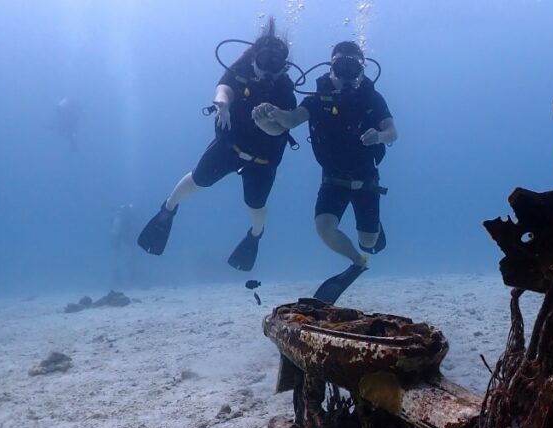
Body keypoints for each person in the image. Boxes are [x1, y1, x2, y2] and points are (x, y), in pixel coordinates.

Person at [136, 18, 297, 271]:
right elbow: (224, 88)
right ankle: (167, 210)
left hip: (262, 162)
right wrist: (221, 104)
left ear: (284, 68)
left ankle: (255, 235)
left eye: (276, 65)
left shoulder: (286, 89)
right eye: (265, 61)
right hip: (229, 148)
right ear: (254, 59)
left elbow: (286, 124)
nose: (269, 70)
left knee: (255, 206)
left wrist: (272, 119)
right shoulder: (239, 71)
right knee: (199, 179)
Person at [252, 41, 397, 273]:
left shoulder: (372, 99)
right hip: (332, 179)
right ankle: (357, 261)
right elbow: (290, 121)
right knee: (324, 229)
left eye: (353, 69)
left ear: (362, 73)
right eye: (341, 68)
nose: (347, 76)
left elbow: (392, 132)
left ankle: (370, 237)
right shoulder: (316, 100)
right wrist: (273, 114)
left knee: (370, 243)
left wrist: (379, 136)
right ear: (331, 69)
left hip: (366, 179)